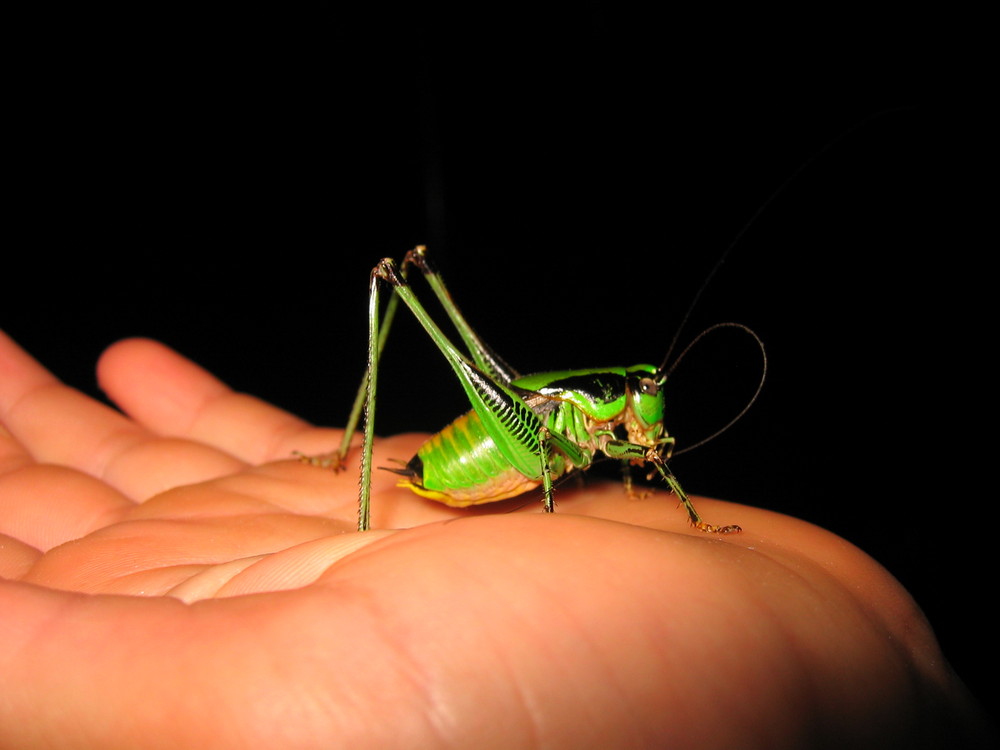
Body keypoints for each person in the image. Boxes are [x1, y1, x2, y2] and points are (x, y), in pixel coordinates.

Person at [0, 329, 992, 749]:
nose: (647, 420)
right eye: (640, 407)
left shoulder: (625, 427)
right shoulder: (573, 424)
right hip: (479, 450)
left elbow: (643, 454)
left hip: (518, 447)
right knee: (417, 296)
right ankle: (353, 459)